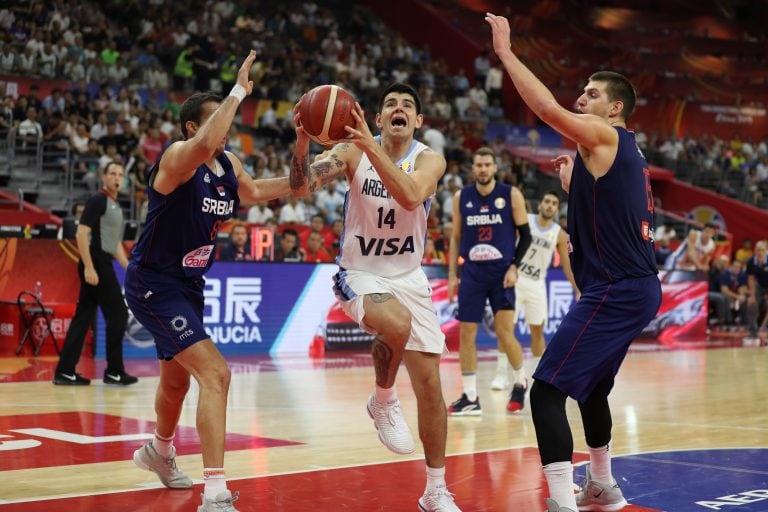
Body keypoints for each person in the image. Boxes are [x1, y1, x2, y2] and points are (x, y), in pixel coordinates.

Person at [486, 13, 662, 512]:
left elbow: (544, 107)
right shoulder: (625, 153)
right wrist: (574, 188)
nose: (581, 99)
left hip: (617, 287)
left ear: (616, 107)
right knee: (591, 390)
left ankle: (562, 503)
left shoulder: (604, 135)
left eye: (591, 94)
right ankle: (601, 486)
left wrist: (506, 53)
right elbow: (617, 212)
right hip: (635, 286)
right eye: (581, 93)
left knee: (545, 391)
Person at [125, 51, 297, 512]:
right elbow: (205, 144)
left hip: (189, 286)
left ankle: (158, 453)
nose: (228, 131)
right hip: (153, 282)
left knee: (176, 383)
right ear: (191, 128)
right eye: (217, 122)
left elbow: (259, 190)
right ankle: (216, 493)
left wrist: (314, 164)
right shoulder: (179, 158)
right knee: (216, 374)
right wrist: (239, 90)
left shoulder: (228, 166)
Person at [290, 82, 462, 511]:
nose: (398, 108)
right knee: (396, 322)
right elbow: (302, 185)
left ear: (418, 121)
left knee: (431, 391)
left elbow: (409, 196)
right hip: (360, 272)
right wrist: (301, 144)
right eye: (390, 104)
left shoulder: (429, 159)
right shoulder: (350, 152)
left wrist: (370, 144)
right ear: (378, 117)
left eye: (407, 105)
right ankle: (383, 399)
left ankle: (435, 491)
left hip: (409, 277)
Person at [445, 146, 531, 416]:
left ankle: (520, 381)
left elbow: (525, 236)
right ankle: (470, 397)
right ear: (473, 168)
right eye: (478, 165)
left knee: (505, 334)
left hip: (501, 273)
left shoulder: (510, 195)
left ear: (495, 168)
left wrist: (514, 266)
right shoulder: (462, 197)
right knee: (467, 334)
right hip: (471, 272)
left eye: (487, 165)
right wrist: (451, 276)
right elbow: (456, 237)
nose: (482, 169)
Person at [53, 162, 136, 386]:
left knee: (83, 317)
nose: (117, 178)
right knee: (118, 314)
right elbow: (81, 234)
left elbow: (115, 243)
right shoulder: (98, 200)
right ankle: (114, 371)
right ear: (103, 177)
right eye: (112, 174)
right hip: (96, 262)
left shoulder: (115, 205)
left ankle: (65, 371)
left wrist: (129, 268)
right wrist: (89, 266)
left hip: (101, 261)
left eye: (120, 175)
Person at [491, 190, 579, 392]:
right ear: (540, 205)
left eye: (554, 203)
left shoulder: (558, 233)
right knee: (506, 330)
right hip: (515, 279)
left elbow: (566, 265)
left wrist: (576, 288)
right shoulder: (526, 220)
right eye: (547, 201)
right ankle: (501, 374)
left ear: (557, 209)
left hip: (537, 283)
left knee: (537, 331)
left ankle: (540, 376)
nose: (549, 205)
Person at [743, 239, 768, 344]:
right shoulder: (750, 262)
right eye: (757, 250)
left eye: (762, 250)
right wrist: (752, 296)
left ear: (766, 250)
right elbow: (751, 279)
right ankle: (753, 333)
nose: (759, 252)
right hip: (759, 285)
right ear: (754, 250)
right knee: (751, 304)